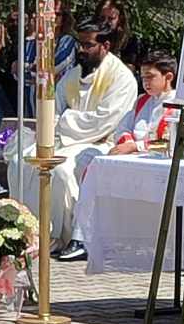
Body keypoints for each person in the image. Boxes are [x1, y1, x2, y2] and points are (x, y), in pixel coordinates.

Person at [15, 18, 138, 260]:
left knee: (60, 170)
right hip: (66, 139)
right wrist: (59, 123)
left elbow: (104, 121)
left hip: (102, 144)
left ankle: (64, 237)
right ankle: (26, 234)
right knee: (22, 160)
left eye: (87, 45)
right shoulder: (72, 75)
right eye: (80, 44)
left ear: (106, 46)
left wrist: (65, 121)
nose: (81, 50)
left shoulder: (122, 79)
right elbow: (55, 109)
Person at [109, 53, 177, 154]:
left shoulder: (179, 104)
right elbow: (123, 128)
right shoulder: (141, 101)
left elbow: (173, 143)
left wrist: (136, 146)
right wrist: (128, 143)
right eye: (143, 77)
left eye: (149, 77)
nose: (145, 82)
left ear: (168, 77)